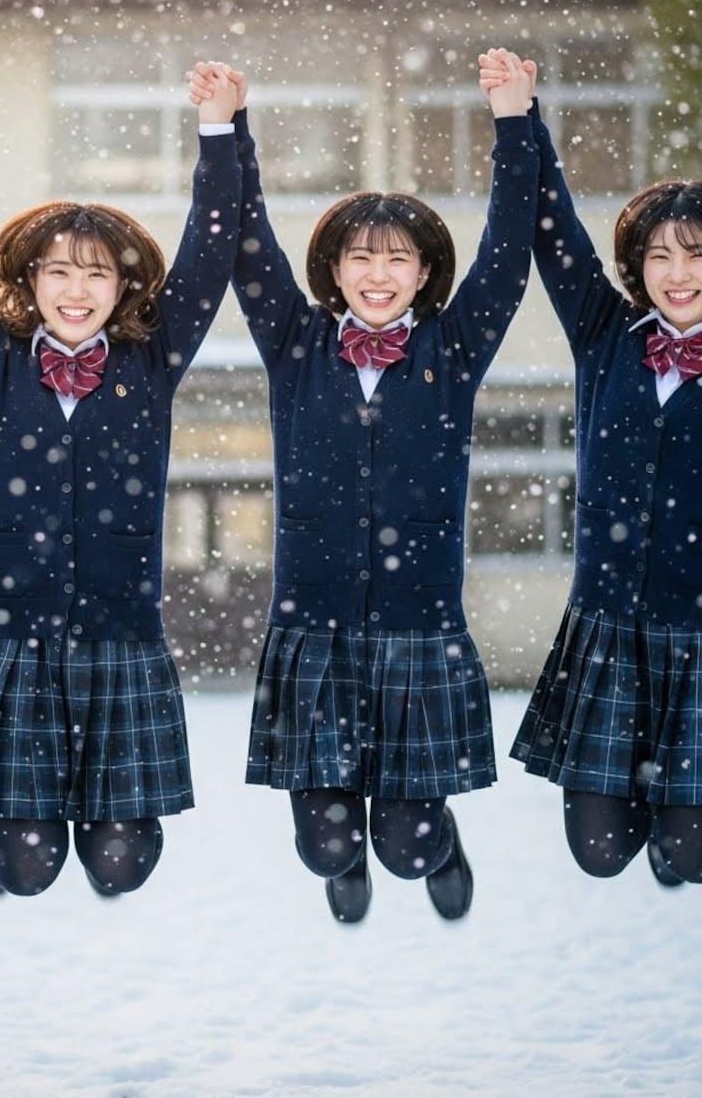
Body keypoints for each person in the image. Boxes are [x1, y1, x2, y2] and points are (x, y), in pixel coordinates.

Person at [0, 39, 242, 898]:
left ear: (124, 287)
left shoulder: (148, 366)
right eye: (60, 272)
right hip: (11, 645)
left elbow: (211, 252)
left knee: (122, 866)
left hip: (123, 646)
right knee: (29, 868)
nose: (78, 290)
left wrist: (219, 132)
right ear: (30, 281)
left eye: (98, 275)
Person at [190, 51, 539, 923]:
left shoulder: (453, 352)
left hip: (422, 631)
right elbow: (244, 238)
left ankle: (439, 840)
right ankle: (343, 864)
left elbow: (508, 246)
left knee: (408, 846)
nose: (378, 274)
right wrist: (227, 131)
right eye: (359, 258)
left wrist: (513, 124)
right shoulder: (297, 347)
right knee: (327, 845)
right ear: (334, 271)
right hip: (314, 633)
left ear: (425, 274)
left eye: (398, 259)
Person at [480, 47, 702, 888]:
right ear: (638, 268)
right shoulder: (609, 340)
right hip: (609, 632)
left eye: (696, 254)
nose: (678, 274)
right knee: (600, 854)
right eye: (660, 256)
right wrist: (518, 118)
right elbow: (551, 227)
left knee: (687, 853)